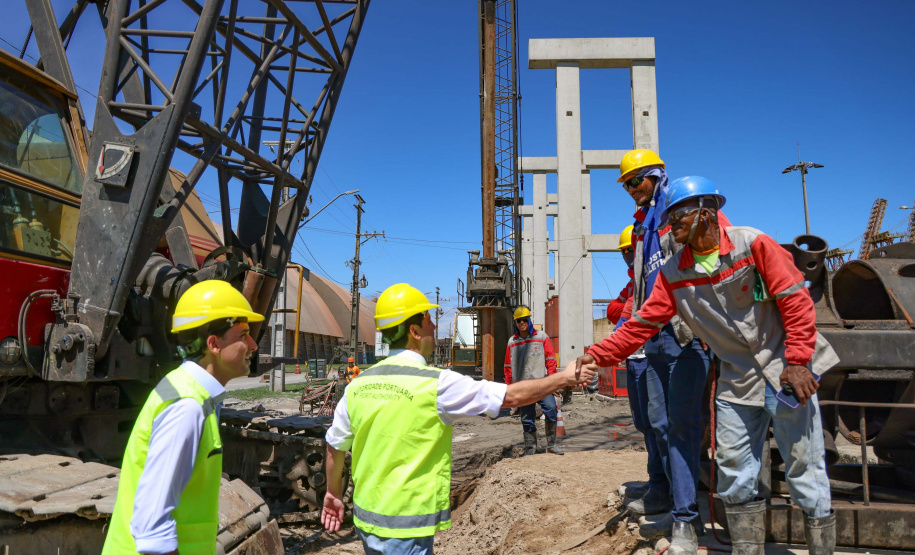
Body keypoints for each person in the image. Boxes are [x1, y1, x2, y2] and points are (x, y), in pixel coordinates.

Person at [578, 176, 839, 555]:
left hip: (785, 371)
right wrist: (596, 355)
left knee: (805, 470)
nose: (671, 226)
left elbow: (795, 300)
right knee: (733, 471)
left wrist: (799, 360)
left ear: (705, 213)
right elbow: (641, 324)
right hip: (737, 379)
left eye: (677, 218)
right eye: (668, 219)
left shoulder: (752, 244)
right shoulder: (674, 273)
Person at [322, 283, 596, 554]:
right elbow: (510, 397)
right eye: (428, 319)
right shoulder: (436, 384)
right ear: (414, 331)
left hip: (367, 523)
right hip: (407, 530)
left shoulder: (358, 385)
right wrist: (565, 377)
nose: (433, 326)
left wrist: (333, 493)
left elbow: (335, 445)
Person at [102, 281, 264, 555]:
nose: (253, 345)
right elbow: (152, 528)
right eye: (244, 335)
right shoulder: (187, 407)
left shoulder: (184, 388)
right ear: (214, 344)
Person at [615, 149, 713, 542]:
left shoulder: (677, 211)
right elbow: (643, 286)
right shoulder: (643, 226)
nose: (631, 189)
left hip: (682, 334)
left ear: (655, 175)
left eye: (635, 181)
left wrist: (702, 322)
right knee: (658, 424)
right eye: (626, 185)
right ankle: (668, 499)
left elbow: (705, 264)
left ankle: (687, 519)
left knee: (681, 428)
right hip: (653, 335)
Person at [607, 225, 668, 503]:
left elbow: (630, 317)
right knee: (643, 423)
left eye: (631, 251)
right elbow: (616, 312)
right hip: (633, 358)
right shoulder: (633, 285)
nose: (628, 257)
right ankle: (656, 481)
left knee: (657, 424)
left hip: (649, 357)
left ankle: (662, 485)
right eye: (624, 253)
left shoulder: (653, 278)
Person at [503, 306, 561, 456]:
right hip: (522, 387)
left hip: (542, 384)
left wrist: (552, 381)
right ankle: (531, 447)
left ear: (529, 320)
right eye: (519, 321)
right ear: (516, 323)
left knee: (551, 409)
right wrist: (509, 387)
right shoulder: (512, 342)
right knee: (527, 417)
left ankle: (552, 444)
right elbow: (508, 366)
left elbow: (550, 359)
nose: (522, 323)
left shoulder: (541, 337)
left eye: (524, 320)